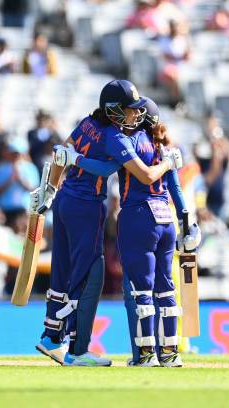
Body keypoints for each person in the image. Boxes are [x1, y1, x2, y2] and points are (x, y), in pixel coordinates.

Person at [33, 80, 183, 366]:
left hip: (65, 201)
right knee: (90, 273)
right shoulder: (115, 138)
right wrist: (169, 162)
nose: (135, 115)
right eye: (130, 110)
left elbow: (60, 154)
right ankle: (76, 349)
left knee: (62, 268)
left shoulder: (87, 122)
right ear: (114, 110)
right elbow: (127, 172)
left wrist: (49, 191)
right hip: (87, 206)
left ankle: (52, 336)